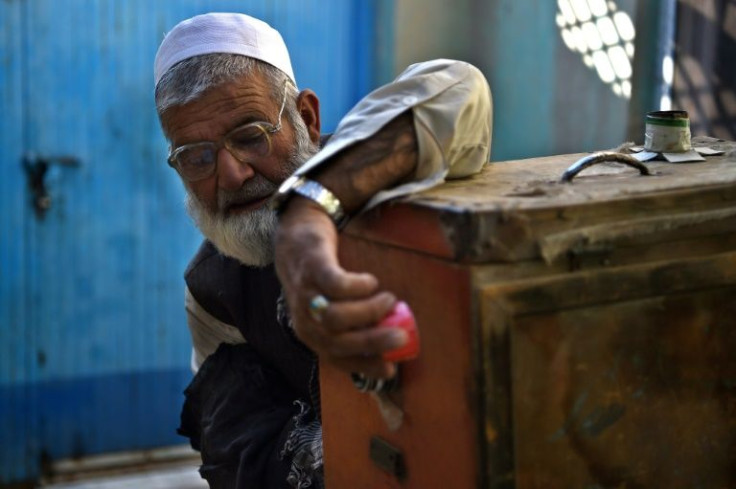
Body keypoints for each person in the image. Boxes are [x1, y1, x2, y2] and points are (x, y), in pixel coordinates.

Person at [153, 11, 492, 489]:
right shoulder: (215, 291)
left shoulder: (381, 169)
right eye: (197, 158)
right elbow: (236, 445)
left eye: (250, 135)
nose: (231, 175)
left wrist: (307, 213)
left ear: (307, 119)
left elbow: (462, 87)